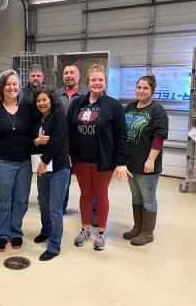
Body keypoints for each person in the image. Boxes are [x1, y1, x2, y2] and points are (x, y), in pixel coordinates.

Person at [67, 64, 131, 251]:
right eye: (93, 80)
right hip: (80, 159)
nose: (97, 83)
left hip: (103, 160)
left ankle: (101, 232)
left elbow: (121, 135)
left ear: (105, 82)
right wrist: (69, 155)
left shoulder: (113, 106)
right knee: (85, 194)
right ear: (87, 82)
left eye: (100, 80)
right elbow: (69, 130)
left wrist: (121, 162)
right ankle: (85, 229)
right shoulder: (78, 104)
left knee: (101, 195)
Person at [0, 70, 33, 252]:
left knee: (21, 199)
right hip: (2, 161)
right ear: (2, 87)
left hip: (24, 162)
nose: (12, 87)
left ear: (19, 86)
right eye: (8, 84)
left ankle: (16, 231)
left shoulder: (27, 105)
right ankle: (3, 233)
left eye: (15, 84)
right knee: (3, 200)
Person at [123, 75, 168, 246]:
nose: (141, 91)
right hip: (130, 163)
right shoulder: (130, 107)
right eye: (139, 87)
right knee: (136, 196)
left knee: (148, 198)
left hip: (147, 164)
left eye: (145, 88)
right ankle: (137, 228)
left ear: (152, 91)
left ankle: (147, 233)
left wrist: (150, 160)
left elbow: (159, 137)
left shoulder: (157, 110)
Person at [31, 85, 70, 261]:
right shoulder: (38, 119)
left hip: (58, 169)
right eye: (38, 100)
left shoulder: (58, 116)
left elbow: (57, 142)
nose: (41, 103)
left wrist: (43, 161)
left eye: (44, 99)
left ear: (51, 100)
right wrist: (35, 141)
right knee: (43, 202)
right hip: (43, 168)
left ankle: (54, 245)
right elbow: (32, 141)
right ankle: (46, 231)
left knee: (55, 207)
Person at [55, 64, 89, 216]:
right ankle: (61, 206)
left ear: (78, 76)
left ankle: (92, 211)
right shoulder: (56, 94)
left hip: (83, 142)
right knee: (63, 177)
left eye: (72, 73)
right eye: (66, 73)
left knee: (87, 180)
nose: (68, 75)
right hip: (62, 144)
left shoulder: (87, 94)